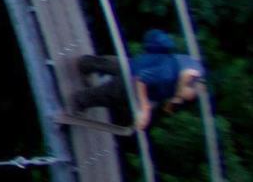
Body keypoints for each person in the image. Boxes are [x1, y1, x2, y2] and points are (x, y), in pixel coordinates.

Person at [68, 31, 208, 133]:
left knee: (118, 65)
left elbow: (184, 80)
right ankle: (80, 100)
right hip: (138, 80)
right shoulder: (168, 75)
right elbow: (141, 79)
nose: (187, 98)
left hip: (144, 64)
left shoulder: (195, 68)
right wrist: (145, 109)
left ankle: (85, 63)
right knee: (113, 93)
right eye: (189, 94)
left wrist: (176, 97)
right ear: (188, 83)